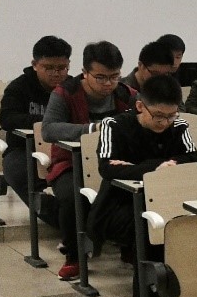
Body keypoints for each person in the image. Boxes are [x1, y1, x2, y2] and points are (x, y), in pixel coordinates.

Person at [89, 75, 197, 297]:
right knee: (149, 232)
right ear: (140, 106)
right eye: (158, 116)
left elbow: (192, 158)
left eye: (171, 115)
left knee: (195, 225)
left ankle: (194, 287)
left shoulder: (178, 125)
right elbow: (108, 168)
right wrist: (157, 167)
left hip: (165, 202)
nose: (165, 123)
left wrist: (140, 167)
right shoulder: (114, 125)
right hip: (117, 206)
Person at [42, 41, 133, 281]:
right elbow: (49, 130)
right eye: (100, 77)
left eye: (114, 77)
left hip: (115, 163)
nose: (108, 84)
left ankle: (131, 248)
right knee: (72, 197)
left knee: (136, 192)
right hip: (71, 163)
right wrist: (91, 129)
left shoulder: (126, 94)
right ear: (85, 72)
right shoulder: (64, 93)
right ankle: (73, 255)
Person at [0, 35, 72, 221]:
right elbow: (7, 119)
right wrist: (47, 121)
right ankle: (56, 218)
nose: (56, 73)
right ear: (35, 64)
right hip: (24, 150)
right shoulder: (19, 87)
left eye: (62, 68)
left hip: (66, 150)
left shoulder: (73, 88)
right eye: (49, 68)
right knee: (19, 172)